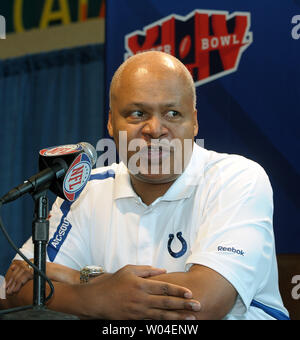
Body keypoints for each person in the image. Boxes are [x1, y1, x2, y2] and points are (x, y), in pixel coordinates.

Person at [1, 51, 289, 320]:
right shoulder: (84, 189)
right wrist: (101, 297)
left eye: (173, 113)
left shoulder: (236, 177)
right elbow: (19, 290)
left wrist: (83, 281)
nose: (155, 129)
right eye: (137, 113)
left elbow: (203, 301)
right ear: (111, 124)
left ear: (195, 123)